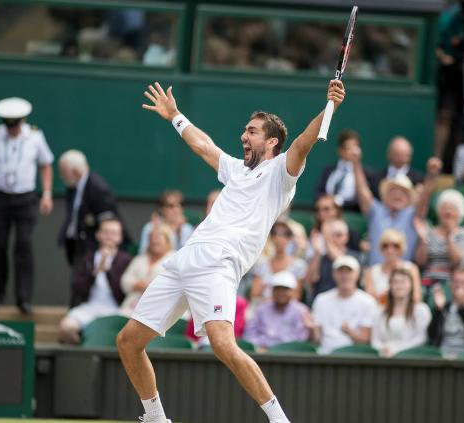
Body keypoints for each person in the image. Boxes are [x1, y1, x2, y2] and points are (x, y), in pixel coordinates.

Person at [116, 79, 345, 423]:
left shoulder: (280, 173)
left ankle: (279, 419)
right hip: (185, 261)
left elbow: (303, 142)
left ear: (271, 142)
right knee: (128, 341)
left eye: (252, 132)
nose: (243, 136)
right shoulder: (236, 170)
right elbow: (205, 146)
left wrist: (330, 106)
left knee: (223, 344)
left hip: (218, 264)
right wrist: (175, 115)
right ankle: (156, 418)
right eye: (244, 130)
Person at [0, 97, 54, 314]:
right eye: (8, 124)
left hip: (26, 198)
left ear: (23, 121)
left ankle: (23, 298)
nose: (12, 129)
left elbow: (46, 165)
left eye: (16, 124)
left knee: (24, 245)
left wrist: (46, 194)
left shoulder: (35, 136)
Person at [353, 145, 439, 266]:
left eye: (403, 192)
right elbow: (362, 191)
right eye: (392, 191)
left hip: (402, 277)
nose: (397, 194)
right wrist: (355, 163)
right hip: (374, 275)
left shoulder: (413, 214)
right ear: (385, 196)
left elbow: (425, 197)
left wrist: (432, 175)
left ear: (409, 198)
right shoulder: (376, 211)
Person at [60, 218, 132, 344]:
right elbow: (78, 288)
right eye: (106, 232)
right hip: (89, 309)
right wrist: (94, 273)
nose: (109, 236)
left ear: (120, 238)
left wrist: (108, 272)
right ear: (98, 235)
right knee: (66, 328)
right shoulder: (87, 258)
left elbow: (124, 292)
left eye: (114, 233)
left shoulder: (126, 260)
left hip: (116, 309)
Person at [58, 149, 125, 265]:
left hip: (92, 248)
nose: (62, 176)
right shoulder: (72, 187)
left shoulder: (98, 189)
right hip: (75, 244)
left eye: (64, 172)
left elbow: (108, 221)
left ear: (75, 172)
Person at [311, 255, 378, 354]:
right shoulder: (321, 299)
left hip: (354, 357)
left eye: (349, 271)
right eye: (341, 271)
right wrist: (312, 328)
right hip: (325, 355)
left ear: (357, 274)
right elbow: (316, 340)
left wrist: (350, 332)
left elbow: (366, 340)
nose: (345, 275)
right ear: (334, 274)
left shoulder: (368, 301)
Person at [415, 189, 464, 285]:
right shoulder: (428, 232)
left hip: (452, 283)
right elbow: (420, 262)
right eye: (444, 208)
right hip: (428, 280)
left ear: (460, 213)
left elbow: (458, 262)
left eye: (452, 208)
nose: (447, 211)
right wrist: (424, 240)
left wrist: (449, 236)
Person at [370, 268, 431, 357]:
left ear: (411, 285)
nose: (399, 286)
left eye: (403, 282)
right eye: (395, 282)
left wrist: (396, 350)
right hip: (383, 357)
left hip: (410, 358)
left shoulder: (421, 309)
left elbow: (421, 338)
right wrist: (383, 349)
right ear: (390, 286)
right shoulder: (380, 312)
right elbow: (375, 340)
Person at [243, 271, 311, 351]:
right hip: (261, 353)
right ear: (272, 290)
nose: (281, 293)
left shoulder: (301, 310)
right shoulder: (261, 309)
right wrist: (259, 346)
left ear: (293, 291)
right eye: (277, 289)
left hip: (289, 354)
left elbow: (300, 338)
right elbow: (249, 334)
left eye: (285, 289)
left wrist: (275, 347)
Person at [427, 268, 464, 358]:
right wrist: (438, 310)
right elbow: (431, 334)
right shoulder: (445, 308)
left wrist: (461, 309)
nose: (458, 285)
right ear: (451, 285)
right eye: (455, 281)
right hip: (443, 356)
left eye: (463, 282)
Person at [120, 224, 174, 316]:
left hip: (162, 308)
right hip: (132, 306)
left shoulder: (175, 260)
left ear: (168, 241)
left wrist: (150, 286)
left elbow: (175, 287)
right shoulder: (139, 259)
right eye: (152, 239)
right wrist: (136, 284)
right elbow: (124, 281)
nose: (155, 242)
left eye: (159, 239)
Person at [250, 222, 307, 304]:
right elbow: (255, 294)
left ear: (290, 238)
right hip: (264, 309)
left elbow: (296, 296)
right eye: (275, 234)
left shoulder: (299, 265)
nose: (278, 238)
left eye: (284, 234)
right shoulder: (261, 265)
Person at [306, 218, 360, 303]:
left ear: (347, 237)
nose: (334, 238)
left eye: (338, 235)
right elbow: (310, 280)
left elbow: (342, 261)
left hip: (347, 302)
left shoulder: (354, 256)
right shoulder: (320, 256)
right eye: (331, 235)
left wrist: (326, 241)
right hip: (323, 303)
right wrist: (317, 254)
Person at [362, 229, 422, 304]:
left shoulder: (411, 269)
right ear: (381, 248)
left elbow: (416, 297)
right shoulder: (371, 271)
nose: (390, 250)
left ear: (402, 248)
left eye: (395, 246)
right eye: (385, 246)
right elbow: (369, 301)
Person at [314, 129, 363, 211]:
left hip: (349, 213)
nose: (352, 152)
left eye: (354, 148)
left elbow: (363, 200)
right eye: (348, 148)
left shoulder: (365, 174)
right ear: (340, 150)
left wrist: (338, 201)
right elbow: (317, 193)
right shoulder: (328, 170)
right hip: (326, 212)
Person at [138, 190, 194, 254]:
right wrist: (155, 233)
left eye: (180, 204)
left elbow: (188, 255)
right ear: (162, 209)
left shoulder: (187, 228)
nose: (176, 209)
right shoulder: (150, 227)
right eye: (171, 206)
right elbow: (142, 253)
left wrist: (179, 233)